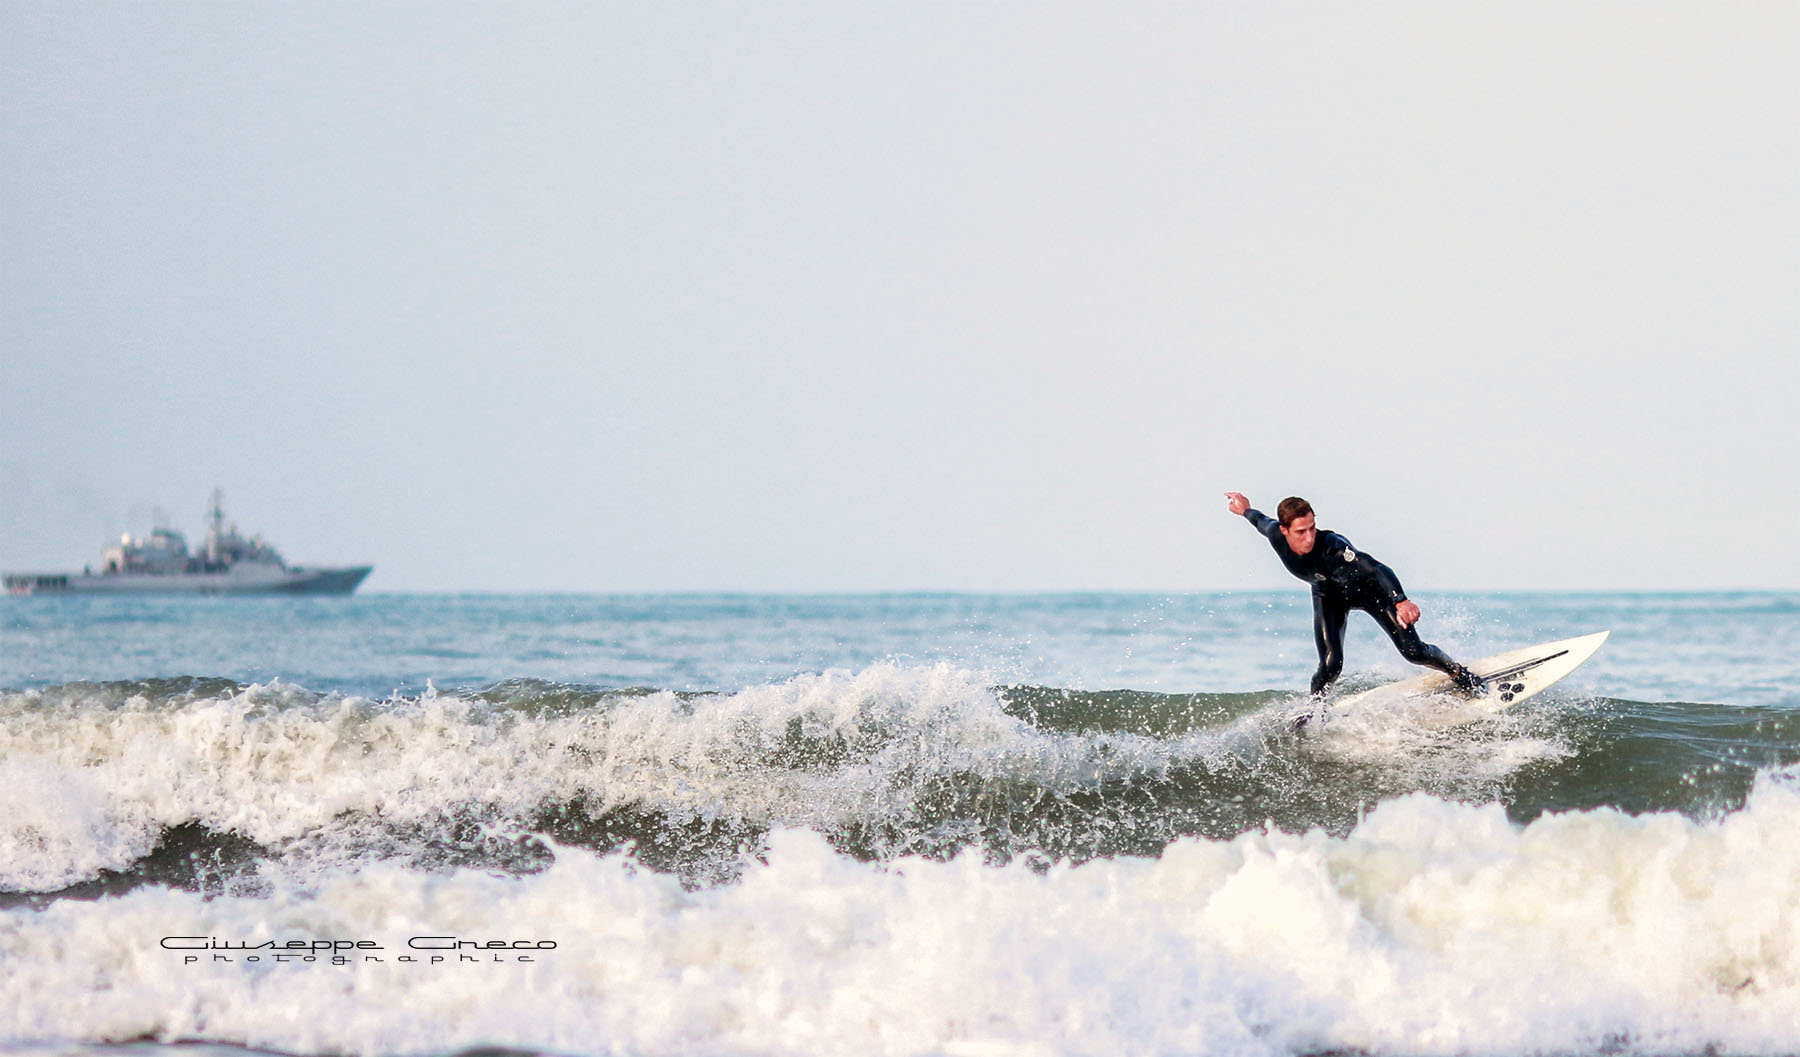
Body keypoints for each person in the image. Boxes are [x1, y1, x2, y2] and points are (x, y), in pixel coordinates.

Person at [1224, 492, 1483, 698]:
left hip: (1370, 593)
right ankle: (1315, 710)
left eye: (1312, 528)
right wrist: (1243, 508)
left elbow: (1376, 568)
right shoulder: (1274, 534)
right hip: (1328, 596)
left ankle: (1458, 672)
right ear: (1284, 530)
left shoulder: (1334, 547)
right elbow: (1258, 519)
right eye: (1301, 531)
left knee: (1413, 652)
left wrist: (1400, 600)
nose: (1309, 537)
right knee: (1330, 665)